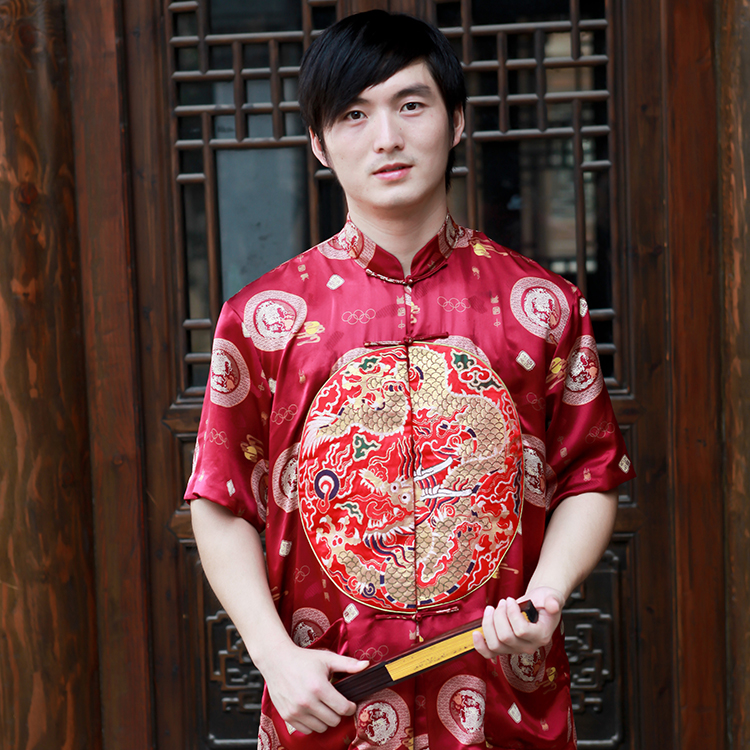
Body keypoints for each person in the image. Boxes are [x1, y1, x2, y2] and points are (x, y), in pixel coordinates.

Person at [187, 10, 635, 749]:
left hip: (500, 693)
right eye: (354, 114)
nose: (386, 137)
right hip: (330, 698)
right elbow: (221, 499)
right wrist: (273, 657)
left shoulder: (542, 305)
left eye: (411, 104)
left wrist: (547, 595)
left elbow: (588, 475)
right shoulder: (264, 318)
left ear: (456, 122)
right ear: (318, 142)